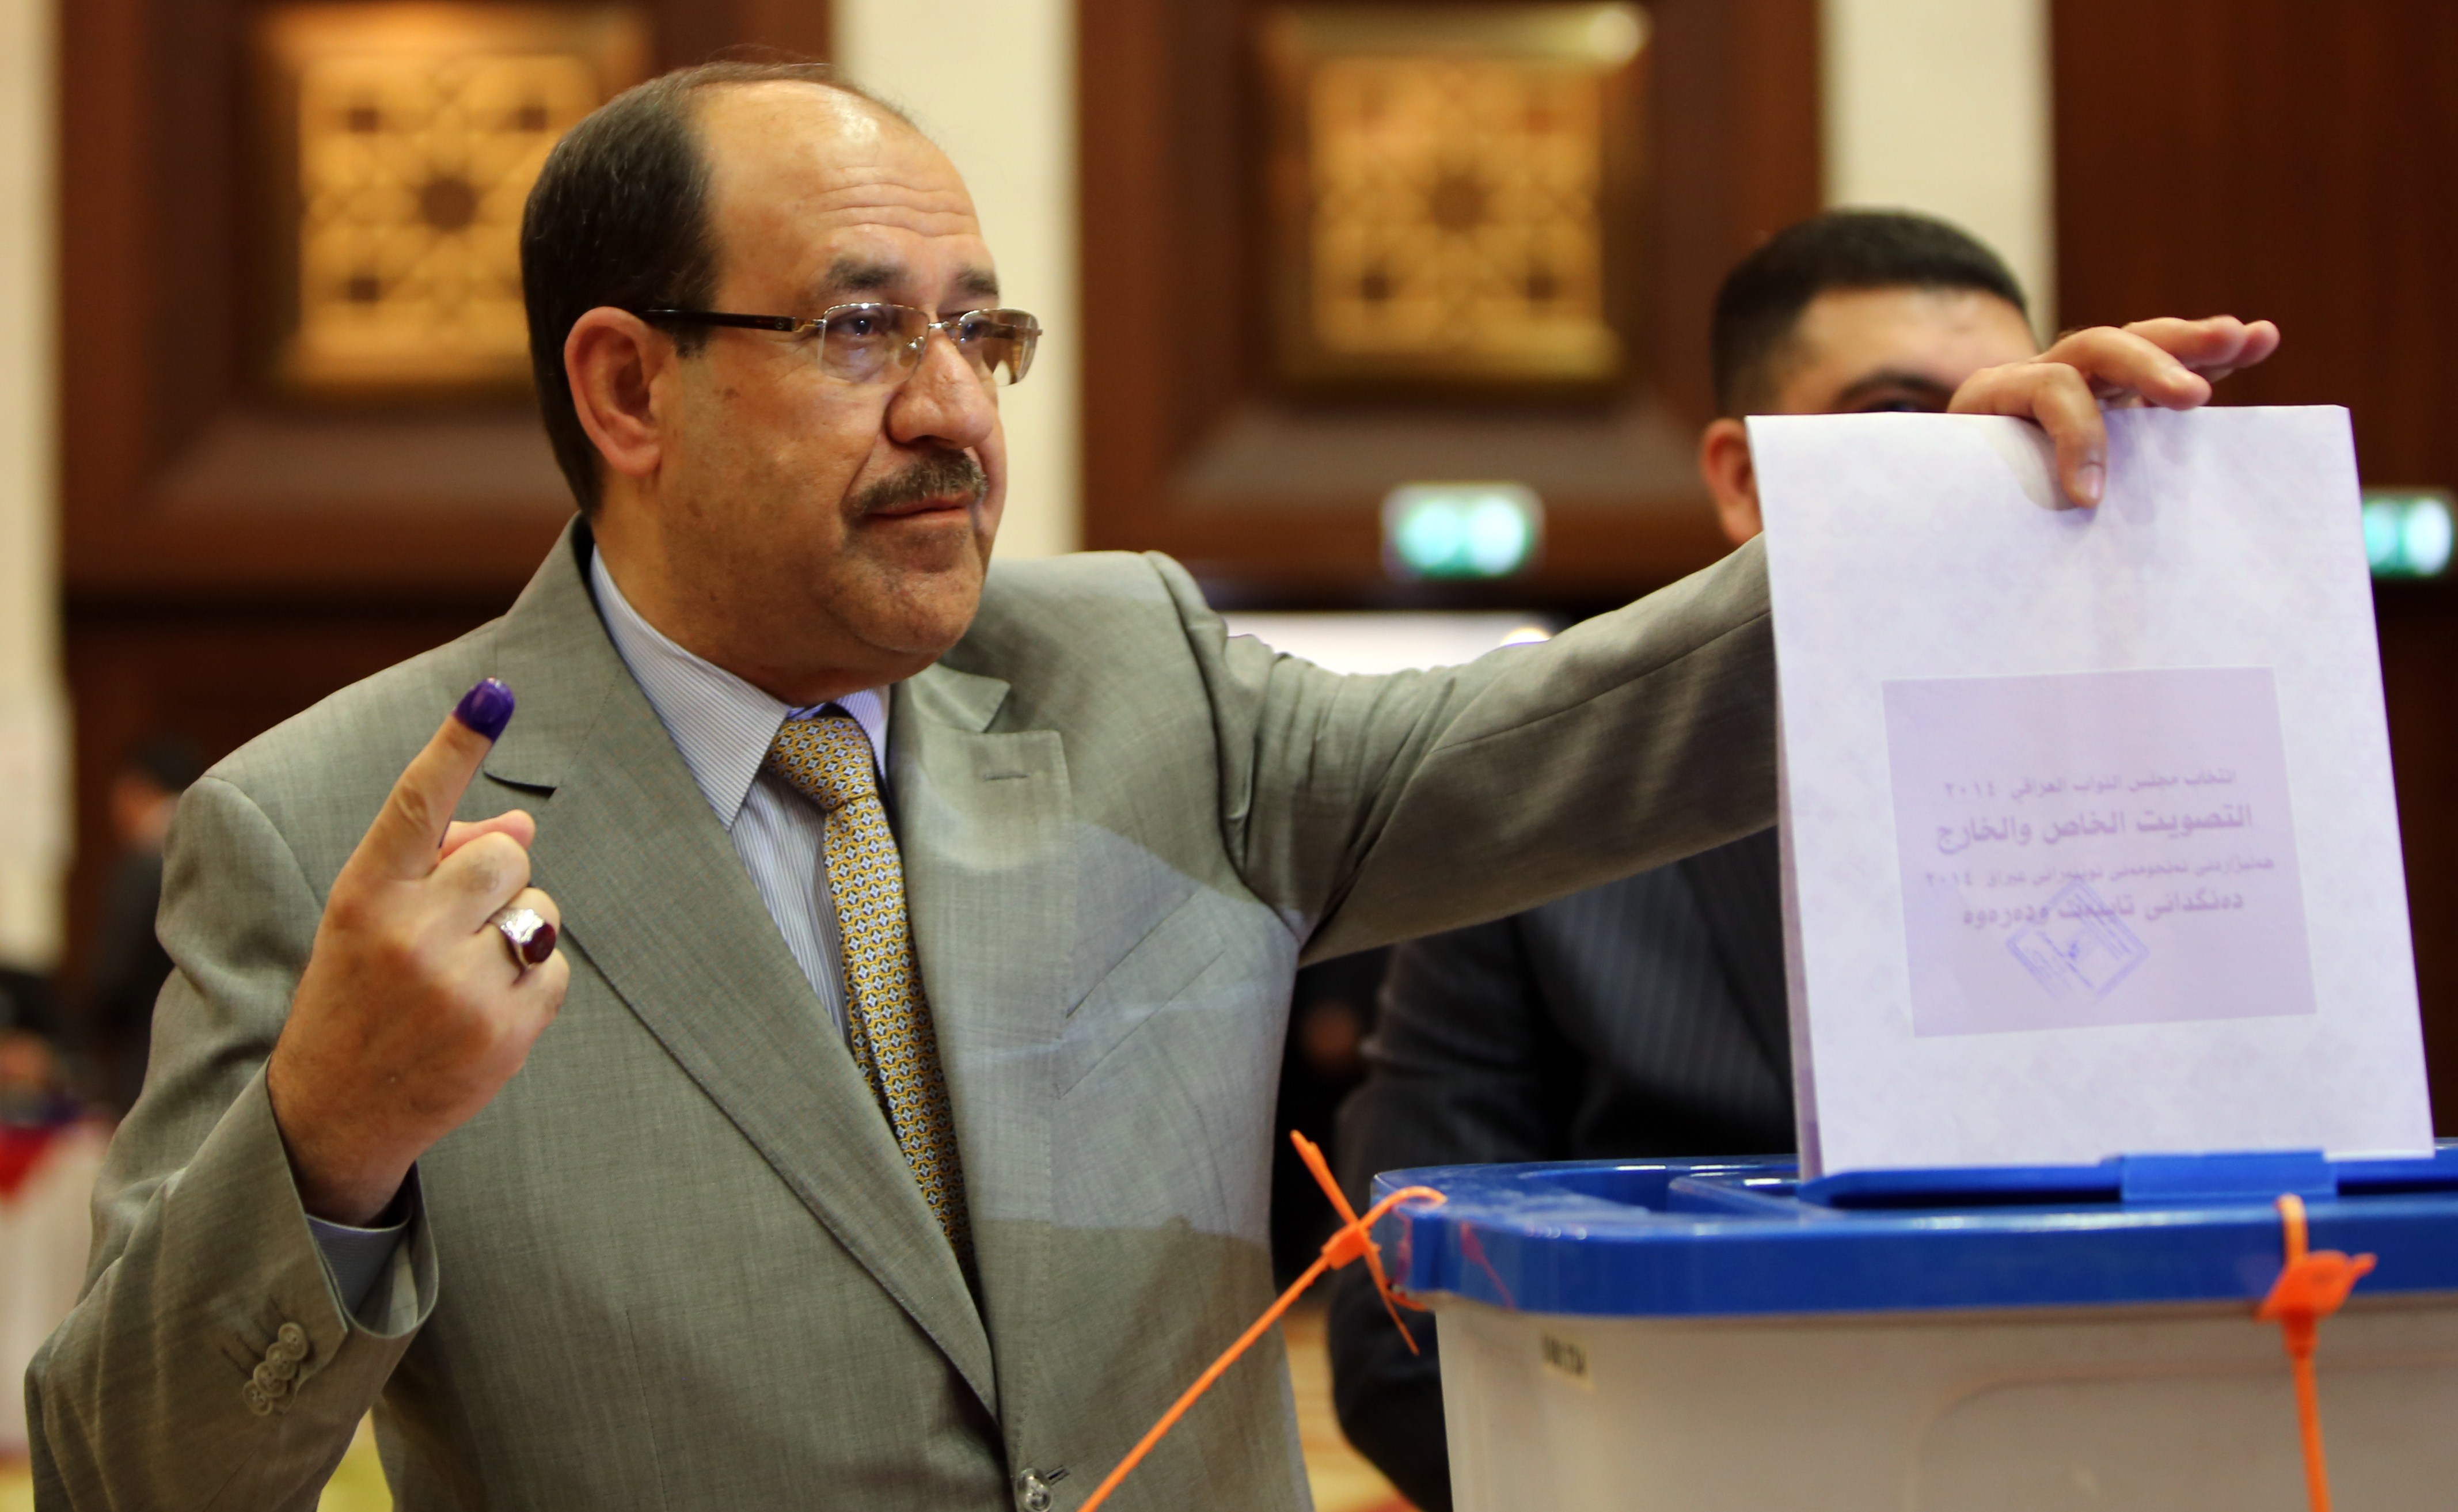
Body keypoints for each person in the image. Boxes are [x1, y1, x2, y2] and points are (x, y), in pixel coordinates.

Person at [25, 60, 2274, 1509]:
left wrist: (1929, 530)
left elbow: (1574, 732)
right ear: (624, 383)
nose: (955, 414)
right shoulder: (329, 832)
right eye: (856, 331)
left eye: (980, 334)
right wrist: (334, 1132)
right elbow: (129, 1471)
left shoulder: (1132, 674)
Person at [1325, 210, 2064, 1511]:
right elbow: (1406, 1342)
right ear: (1739, 479)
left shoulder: (2130, 778)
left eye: (2001, 424)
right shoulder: (1544, 826)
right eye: (1896, 416)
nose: (1962, 471)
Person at [84, 735, 206, 1114]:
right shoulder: (215, 844)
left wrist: (82, 1040)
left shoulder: (145, 863)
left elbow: (115, 978)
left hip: (148, 1051)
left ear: (134, 789)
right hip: (207, 1048)